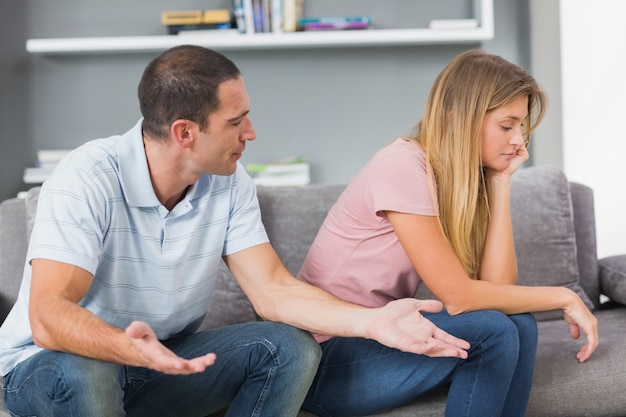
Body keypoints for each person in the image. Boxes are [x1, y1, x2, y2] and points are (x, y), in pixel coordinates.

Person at [0, 45, 474, 417]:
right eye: (235, 121)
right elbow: (48, 316)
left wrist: (374, 322)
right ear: (185, 133)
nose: (251, 132)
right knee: (89, 371)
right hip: (48, 368)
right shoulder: (87, 176)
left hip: (158, 364)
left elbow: (272, 290)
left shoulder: (227, 184)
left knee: (288, 345)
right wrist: (123, 346)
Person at [298, 49, 599, 417]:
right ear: (460, 118)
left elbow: (496, 288)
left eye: (521, 127)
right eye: (507, 126)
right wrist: (564, 296)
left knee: (519, 322)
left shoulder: (459, 180)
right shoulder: (402, 165)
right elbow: (459, 298)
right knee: (494, 330)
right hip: (322, 361)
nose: (520, 140)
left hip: (383, 339)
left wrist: (500, 182)